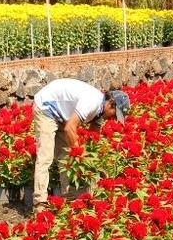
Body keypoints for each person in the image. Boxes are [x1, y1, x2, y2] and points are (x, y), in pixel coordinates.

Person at [31, 78, 130, 207]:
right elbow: (69, 128)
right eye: (115, 114)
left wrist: (94, 163)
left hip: (62, 113)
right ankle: (40, 202)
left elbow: (93, 138)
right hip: (46, 106)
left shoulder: (100, 112)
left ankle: (68, 196)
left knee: (66, 157)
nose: (114, 119)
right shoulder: (92, 103)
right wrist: (80, 156)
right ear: (110, 102)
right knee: (46, 156)